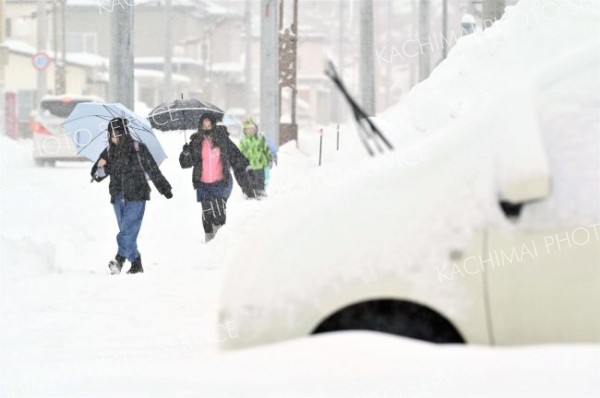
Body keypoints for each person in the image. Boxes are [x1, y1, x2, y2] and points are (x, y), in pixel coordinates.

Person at [91, 117, 173, 274]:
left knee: (127, 231)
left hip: (137, 194)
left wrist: (164, 188)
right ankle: (136, 262)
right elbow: (98, 176)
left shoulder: (137, 148)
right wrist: (99, 167)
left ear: (122, 133)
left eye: (115, 133)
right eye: (110, 134)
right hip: (117, 196)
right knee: (126, 230)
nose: (112, 137)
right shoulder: (109, 151)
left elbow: (152, 169)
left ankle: (120, 259)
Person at [179, 114, 252, 242]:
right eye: (204, 125)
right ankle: (209, 239)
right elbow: (186, 164)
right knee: (207, 212)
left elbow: (236, 157)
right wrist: (185, 154)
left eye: (209, 125)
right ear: (200, 126)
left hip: (221, 182)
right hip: (203, 184)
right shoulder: (196, 142)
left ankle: (220, 241)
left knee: (218, 210)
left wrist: (246, 168)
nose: (206, 128)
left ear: (213, 125)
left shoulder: (222, 139)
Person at [239, 118, 274, 198]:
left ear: (255, 129)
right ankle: (250, 192)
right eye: (248, 129)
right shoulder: (243, 141)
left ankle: (260, 191)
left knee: (260, 179)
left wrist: (269, 157)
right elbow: (240, 152)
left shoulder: (260, 138)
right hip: (249, 166)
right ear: (244, 130)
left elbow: (266, 148)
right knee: (249, 180)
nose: (250, 130)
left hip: (260, 164)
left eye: (252, 129)